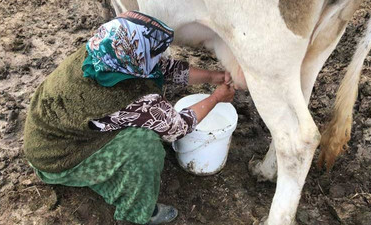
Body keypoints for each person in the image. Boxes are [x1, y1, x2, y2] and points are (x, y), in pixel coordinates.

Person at [24, 11, 235, 225]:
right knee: (145, 145)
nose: (158, 58)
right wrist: (216, 97)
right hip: (55, 158)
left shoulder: (106, 52)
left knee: (143, 127)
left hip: (52, 131)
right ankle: (137, 212)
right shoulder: (131, 95)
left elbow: (162, 68)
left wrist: (212, 76)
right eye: (153, 53)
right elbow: (177, 128)